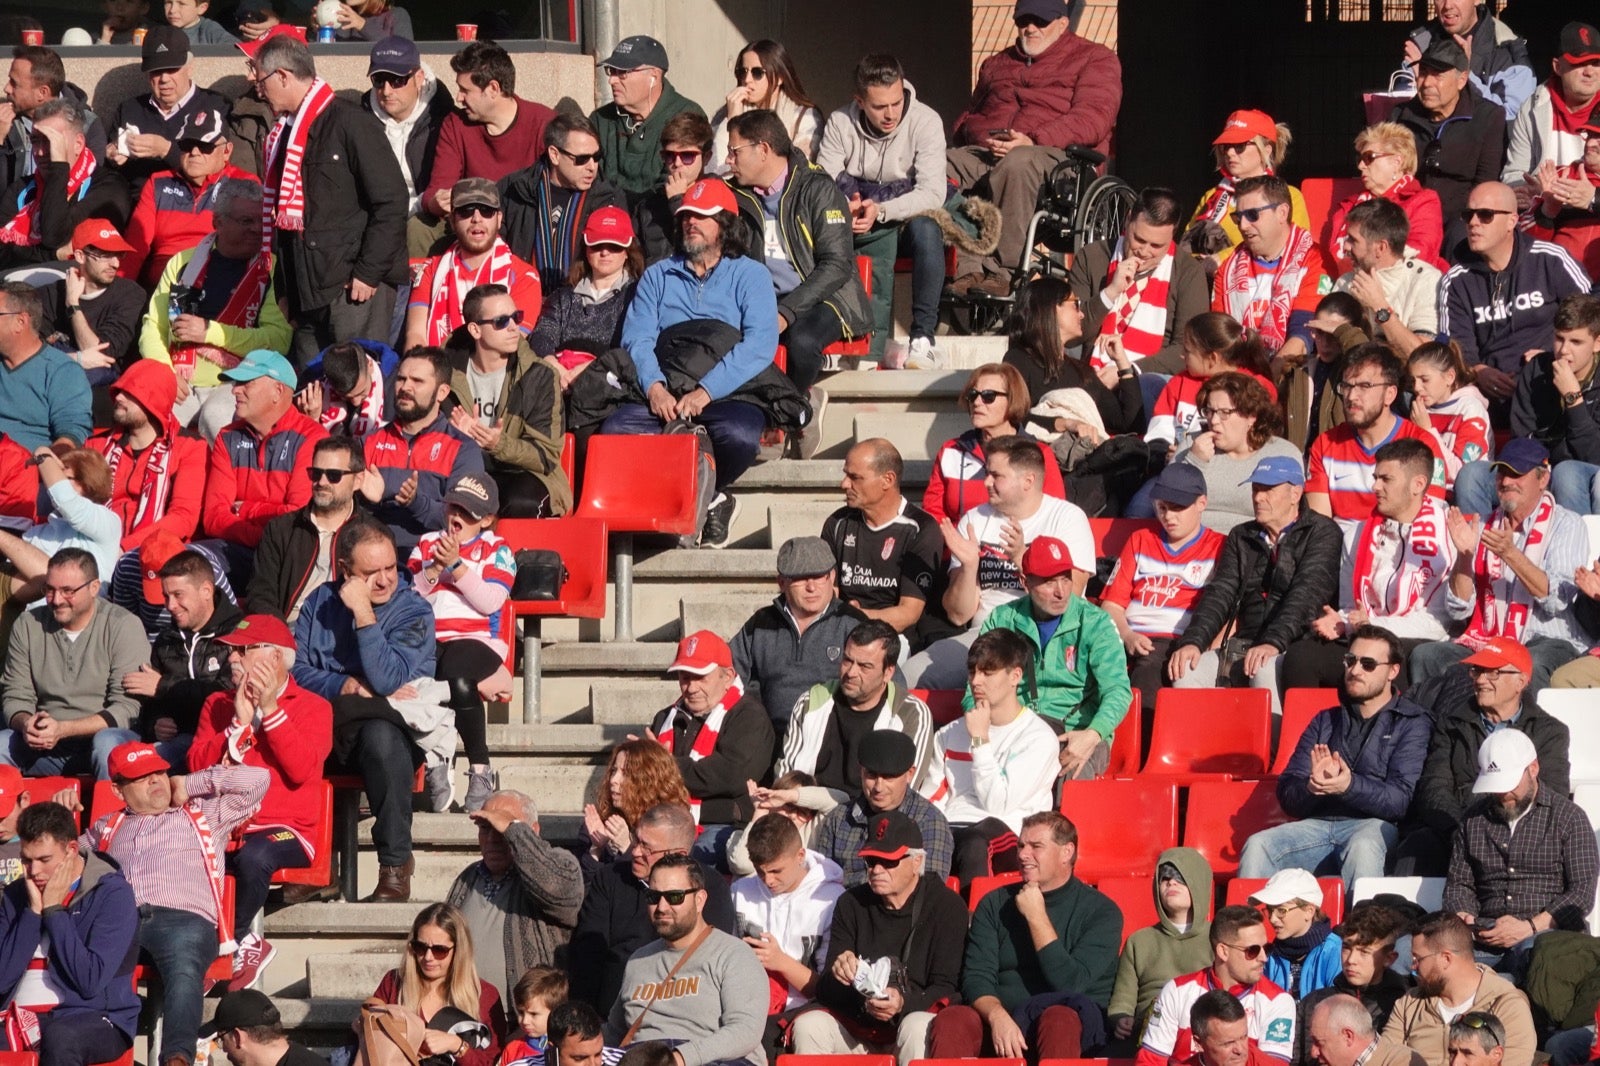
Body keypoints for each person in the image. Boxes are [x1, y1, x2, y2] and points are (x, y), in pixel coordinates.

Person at [600, 177, 783, 549]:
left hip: (727, 392)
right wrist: (654, 387)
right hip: (665, 388)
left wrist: (707, 391)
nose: (690, 222)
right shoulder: (656, 275)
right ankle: (707, 499)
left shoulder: (751, 274)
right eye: (685, 216)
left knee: (740, 435)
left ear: (726, 224)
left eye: (702, 216)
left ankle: (709, 492)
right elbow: (637, 337)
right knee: (617, 429)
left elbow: (761, 344)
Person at [83, 741, 267, 1066]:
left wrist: (190, 783)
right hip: (120, 921)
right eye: (142, 776)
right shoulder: (106, 827)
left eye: (159, 771)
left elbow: (257, 780)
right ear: (117, 789)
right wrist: (60, 807)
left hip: (182, 920)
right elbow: (63, 855)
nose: (156, 780)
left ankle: (178, 1058)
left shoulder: (205, 814)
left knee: (183, 967)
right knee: (85, 964)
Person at [292, 517, 435, 902]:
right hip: (332, 724)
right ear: (345, 572)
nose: (386, 579)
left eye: (390, 567)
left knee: (380, 737)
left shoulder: (413, 611)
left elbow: (388, 681)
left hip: (395, 733)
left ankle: (395, 866)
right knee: (293, 735)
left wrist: (362, 613)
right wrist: (344, 684)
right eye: (371, 572)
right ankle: (313, 864)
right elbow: (296, 671)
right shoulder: (319, 601)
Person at [247, 32, 407, 363]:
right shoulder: (284, 135)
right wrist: (285, 290)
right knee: (312, 393)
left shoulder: (351, 123)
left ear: (283, 76)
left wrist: (368, 272)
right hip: (307, 293)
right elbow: (284, 221)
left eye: (261, 80)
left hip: (352, 289)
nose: (257, 89)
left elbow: (391, 202)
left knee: (359, 386)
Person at [187, 612, 332, 973]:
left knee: (255, 856)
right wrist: (236, 724)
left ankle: (225, 947)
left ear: (276, 657)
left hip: (288, 829)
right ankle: (239, 943)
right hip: (224, 826)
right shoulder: (217, 704)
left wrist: (269, 710)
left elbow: (300, 770)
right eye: (232, 651)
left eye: (244, 650)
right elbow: (196, 765)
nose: (232, 658)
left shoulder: (316, 707)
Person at [946, 0, 1121, 296]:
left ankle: (1003, 272)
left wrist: (1032, 139)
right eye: (1023, 20)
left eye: (1040, 21)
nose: (1030, 28)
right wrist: (986, 135)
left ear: (1063, 24)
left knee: (1018, 162)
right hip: (991, 150)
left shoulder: (1095, 58)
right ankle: (966, 268)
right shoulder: (996, 63)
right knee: (938, 164)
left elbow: (1093, 118)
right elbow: (966, 120)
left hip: (1059, 158)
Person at [1244, 624, 1430, 888]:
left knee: (1363, 846)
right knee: (1258, 845)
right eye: (1350, 661)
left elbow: (1400, 801)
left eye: (1367, 664)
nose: (1354, 670)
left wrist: (1348, 785)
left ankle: (1362, 929)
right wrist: (1312, 787)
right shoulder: (1325, 720)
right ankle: (1246, 928)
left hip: (1375, 827)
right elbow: (1288, 792)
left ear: (1393, 671)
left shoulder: (1411, 722)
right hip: (1317, 825)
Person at [929, 811, 1122, 1060]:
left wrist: (1036, 917)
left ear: (1067, 852)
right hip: (1002, 1022)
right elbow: (977, 977)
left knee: (1059, 1018)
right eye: (1021, 845)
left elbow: (1072, 984)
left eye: (1036, 846)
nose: (1022, 854)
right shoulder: (994, 904)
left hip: (1070, 1026)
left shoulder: (1102, 912)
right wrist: (998, 1017)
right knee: (953, 1019)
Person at [909, 434, 1094, 690]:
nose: (986, 482)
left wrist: (1022, 559)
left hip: (1045, 636)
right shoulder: (974, 519)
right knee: (910, 675)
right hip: (986, 636)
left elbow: (1068, 598)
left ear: (1028, 481)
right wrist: (970, 566)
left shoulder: (1067, 518)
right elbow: (957, 613)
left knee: (1009, 686)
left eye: (996, 476)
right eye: (987, 473)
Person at [1167, 456, 1342, 714]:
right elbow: (1220, 593)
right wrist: (1194, 641)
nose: (1258, 497)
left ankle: (1269, 752)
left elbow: (1306, 596)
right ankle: (1199, 752)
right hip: (1242, 645)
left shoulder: (1322, 532)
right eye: (1255, 489)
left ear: (1295, 493)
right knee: (1185, 672)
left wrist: (1273, 643)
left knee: (1262, 668)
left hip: (1292, 646)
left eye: (1268, 490)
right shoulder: (1242, 536)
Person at [793, 809, 966, 1066]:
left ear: (916, 861)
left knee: (917, 1026)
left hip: (909, 1021)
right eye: (871, 861)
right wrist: (839, 974)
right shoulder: (851, 903)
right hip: (857, 1026)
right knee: (809, 1025)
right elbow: (827, 989)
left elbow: (947, 987)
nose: (877, 869)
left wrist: (902, 1003)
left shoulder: (946, 906)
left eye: (889, 861)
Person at [1412, 439, 1589, 690]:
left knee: (1531, 663)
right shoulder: (1481, 525)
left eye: (1517, 474)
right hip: (1489, 640)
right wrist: (1464, 556)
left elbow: (1557, 600)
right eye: (1502, 473)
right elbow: (1459, 609)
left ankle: (1528, 728)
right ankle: (1452, 728)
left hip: (1548, 640)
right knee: (1427, 656)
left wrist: (1510, 554)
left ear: (1543, 479)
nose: (1506, 482)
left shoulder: (1567, 524)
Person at [725, 108, 872, 403]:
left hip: (825, 298)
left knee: (801, 341)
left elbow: (836, 265)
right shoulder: (734, 194)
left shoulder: (816, 188)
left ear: (763, 150)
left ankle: (790, 410)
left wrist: (786, 311)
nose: (729, 160)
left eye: (734, 151)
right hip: (763, 299)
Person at [1284, 441, 1455, 689]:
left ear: (1417, 484)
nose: (1374, 487)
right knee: (1301, 656)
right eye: (1375, 477)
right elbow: (1350, 607)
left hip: (1415, 640)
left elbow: (1438, 624)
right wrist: (1341, 622)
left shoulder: (1446, 536)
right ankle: (1314, 728)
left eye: (1386, 479)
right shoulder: (1356, 535)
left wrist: (1372, 624)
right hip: (1365, 633)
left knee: (1382, 663)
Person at [814, 53, 947, 366]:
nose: (890, 114)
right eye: (879, 106)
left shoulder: (926, 121)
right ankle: (845, 336)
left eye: (896, 102)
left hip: (906, 212)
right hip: (857, 213)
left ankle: (922, 338)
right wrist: (847, 206)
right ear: (859, 101)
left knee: (928, 231)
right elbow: (824, 179)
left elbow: (932, 193)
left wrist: (883, 210)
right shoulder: (839, 122)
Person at [138, 179, 292, 441]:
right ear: (218, 222)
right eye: (246, 221)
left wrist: (211, 332)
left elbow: (278, 340)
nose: (257, 230)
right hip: (180, 376)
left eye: (262, 222)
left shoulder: (272, 269)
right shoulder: (185, 263)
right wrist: (165, 374)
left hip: (239, 382)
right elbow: (154, 326)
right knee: (151, 415)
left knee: (216, 418)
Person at [1444, 729, 1599, 975]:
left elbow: (1581, 893)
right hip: (1485, 938)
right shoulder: (1472, 820)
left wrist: (1530, 927)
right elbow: (1459, 884)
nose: (1503, 794)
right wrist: (1466, 919)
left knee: (1534, 959)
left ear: (1533, 769)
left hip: (1547, 938)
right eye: (1496, 786)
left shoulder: (1569, 818)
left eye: (1510, 784)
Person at [975, 536, 1132, 778]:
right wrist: (982, 730)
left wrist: (1093, 734)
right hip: (1015, 729)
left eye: (1066, 579)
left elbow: (1118, 691)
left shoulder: (1095, 622)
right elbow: (975, 685)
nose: (1061, 592)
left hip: (1077, 733)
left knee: (1070, 777)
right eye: (1049, 582)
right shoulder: (1003, 619)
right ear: (1025, 582)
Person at [0, 801, 140, 1066]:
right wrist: (32, 913)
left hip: (94, 1016)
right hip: (17, 1015)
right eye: (26, 860)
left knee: (60, 1038)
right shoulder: (17, 895)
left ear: (71, 850)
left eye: (44, 860)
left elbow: (89, 980)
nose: (34, 871)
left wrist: (54, 911)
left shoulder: (111, 893)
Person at [568, 802, 737, 1014]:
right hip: (613, 1012)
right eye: (636, 840)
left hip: (682, 1012)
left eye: (647, 847)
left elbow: (712, 958)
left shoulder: (709, 887)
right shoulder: (610, 879)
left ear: (680, 854)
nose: (636, 852)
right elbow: (588, 955)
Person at [407, 472, 514, 810]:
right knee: (427, 680)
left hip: (477, 639)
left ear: (485, 519)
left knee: (451, 670)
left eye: (467, 513)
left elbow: (490, 602)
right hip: (429, 638)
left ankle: (478, 768)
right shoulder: (426, 543)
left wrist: (456, 565)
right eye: (453, 507)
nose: (456, 519)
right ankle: (440, 757)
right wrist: (433, 570)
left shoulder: (496, 548)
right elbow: (410, 599)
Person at [923, 629, 1061, 884]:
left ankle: (975, 922)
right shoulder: (949, 734)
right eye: (973, 671)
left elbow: (997, 804)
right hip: (953, 828)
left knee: (976, 843)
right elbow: (931, 799)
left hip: (1009, 834)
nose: (976, 681)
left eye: (987, 672)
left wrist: (979, 741)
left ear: (1015, 676)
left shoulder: (1038, 738)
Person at [603, 854, 766, 1066]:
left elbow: (745, 1031)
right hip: (644, 1057)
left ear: (700, 900)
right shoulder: (638, 960)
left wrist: (680, 1058)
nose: (661, 907)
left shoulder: (733, 954)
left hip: (712, 1060)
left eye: (674, 897)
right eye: (653, 896)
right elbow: (613, 1032)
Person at [1439, 183, 1590, 410]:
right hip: (1488, 396)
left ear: (1512, 221)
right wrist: (1478, 371)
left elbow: (1590, 317)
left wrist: (1556, 356)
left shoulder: (1550, 260)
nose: (1473, 223)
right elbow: (1455, 346)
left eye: (1485, 215)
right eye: (1468, 215)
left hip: (1555, 382)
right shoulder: (1456, 281)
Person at [0, 548, 145, 780]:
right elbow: (16, 694)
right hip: (43, 743)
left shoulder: (123, 625)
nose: (56, 600)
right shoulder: (27, 624)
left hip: (102, 737)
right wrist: (27, 723)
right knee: (1, 744)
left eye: (68, 591)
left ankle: (109, 815)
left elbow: (127, 709)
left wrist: (65, 729)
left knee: (107, 744)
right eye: (49, 589)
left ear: (94, 587)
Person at [1102, 464, 1225, 716]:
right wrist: (1126, 635)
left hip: (1177, 639)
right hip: (1127, 636)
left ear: (1202, 503)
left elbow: (1231, 609)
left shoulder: (1219, 546)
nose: (1169, 516)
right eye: (1162, 507)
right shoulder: (1140, 540)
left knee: (1148, 672)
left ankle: (1141, 748)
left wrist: (1209, 647)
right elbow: (1111, 605)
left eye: (1178, 507)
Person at [647, 630, 775, 866]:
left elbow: (729, 777)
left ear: (727, 677)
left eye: (700, 677)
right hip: (664, 823)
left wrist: (664, 766)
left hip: (725, 828)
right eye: (684, 677)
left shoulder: (749, 716)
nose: (691, 687)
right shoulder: (665, 718)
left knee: (684, 862)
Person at [448, 790, 584, 1006]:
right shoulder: (468, 877)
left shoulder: (560, 863)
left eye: (501, 828)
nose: (493, 838)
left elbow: (560, 892)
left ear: (532, 831)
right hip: (466, 1016)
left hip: (526, 1022)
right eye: (485, 828)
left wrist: (514, 831)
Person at [447, 283, 571, 518]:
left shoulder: (540, 376)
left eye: (517, 317)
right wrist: (457, 439)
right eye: (502, 321)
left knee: (519, 502)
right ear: (475, 330)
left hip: (524, 474)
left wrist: (498, 444)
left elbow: (546, 456)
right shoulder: (444, 370)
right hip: (465, 468)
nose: (515, 328)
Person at [201, 349, 330, 575]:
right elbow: (213, 518)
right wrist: (263, 532)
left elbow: (298, 520)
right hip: (238, 550)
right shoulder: (227, 437)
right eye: (235, 383)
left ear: (277, 391)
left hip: (290, 559)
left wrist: (248, 509)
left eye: (246, 383)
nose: (234, 390)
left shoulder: (313, 438)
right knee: (191, 566)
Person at [729, 536, 870, 738]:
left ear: (832, 576)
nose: (811, 587)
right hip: (767, 736)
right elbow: (727, 675)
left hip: (832, 737)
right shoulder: (761, 623)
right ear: (782, 582)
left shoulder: (853, 623)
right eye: (800, 578)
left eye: (819, 576)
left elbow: (883, 684)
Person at [118, 89, 257, 290]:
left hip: (220, 284)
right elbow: (135, 248)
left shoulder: (244, 185)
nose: (194, 152)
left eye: (205, 146)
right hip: (162, 289)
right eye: (187, 145)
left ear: (227, 151)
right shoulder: (158, 183)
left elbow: (254, 248)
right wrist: (119, 295)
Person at [1073, 186, 1210, 383]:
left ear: (1173, 235)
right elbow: (1072, 332)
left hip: (1150, 380)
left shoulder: (1188, 272)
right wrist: (1109, 293)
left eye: (1156, 246)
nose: (1144, 252)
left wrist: (1127, 371)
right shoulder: (1093, 256)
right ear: (1128, 220)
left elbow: (1189, 347)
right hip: (1089, 373)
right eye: (1139, 239)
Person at [777, 618, 932, 792]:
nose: (851, 672)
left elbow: (903, 793)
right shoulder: (811, 702)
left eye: (865, 666)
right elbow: (786, 777)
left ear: (888, 672)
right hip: (805, 810)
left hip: (871, 815)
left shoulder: (910, 713)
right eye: (847, 660)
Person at [1306, 345, 1447, 532]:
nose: (1351, 396)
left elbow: (1429, 523)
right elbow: (1320, 528)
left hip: (1399, 552)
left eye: (1365, 386)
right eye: (1347, 386)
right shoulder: (1325, 445)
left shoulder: (1422, 445)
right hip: (1339, 554)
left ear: (1390, 394)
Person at [359, 347, 485, 556]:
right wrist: (366, 503)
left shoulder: (462, 449)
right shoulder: (369, 442)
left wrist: (414, 502)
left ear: (442, 392)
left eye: (417, 381)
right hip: (371, 556)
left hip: (432, 560)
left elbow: (462, 522)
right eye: (401, 379)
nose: (405, 387)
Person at [1136, 905, 1297, 1066]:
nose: (1264, 958)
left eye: (1267, 948)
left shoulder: (1278, 1001)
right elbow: (1150, 1062)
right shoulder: (1177, 991)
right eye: (1253, 950)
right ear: (1223, 951)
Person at [729, 811, 844, 1035]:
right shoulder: (740, 892)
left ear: (800, 855)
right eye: (761, 871)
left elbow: (828, 991)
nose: (768, 880)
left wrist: (780, 961)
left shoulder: (831, 899)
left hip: (806, 1013)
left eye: (776, 871)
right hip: (746, 1008)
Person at [1392, 38, 1509, 254]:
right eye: (1423, 72)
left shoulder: (1488, 117)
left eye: (1438, 75)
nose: (1427, 82)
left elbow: (1485, 182)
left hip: (1462, 216)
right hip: (1410, 215)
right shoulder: (1400, 116)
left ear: (1462, 79)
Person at [123, 546, 244, 756]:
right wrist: (156, 724)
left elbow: (226, 696)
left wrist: (164, 686)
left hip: (221, 740)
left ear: (206, 591)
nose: (170, 605)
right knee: (110, 741)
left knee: (143, 759)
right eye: (166, 596)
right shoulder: (165, 640)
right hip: (174, 740)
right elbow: (150, 704)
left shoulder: (238, 634)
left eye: (178, 595)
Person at [403, 177, 543, 352]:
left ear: (499, 219)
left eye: (486, 211)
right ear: (453, 220)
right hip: (435, 370)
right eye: (466, 211)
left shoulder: (525, 276)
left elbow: (512, 343)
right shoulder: (430, 270)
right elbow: (415, 336)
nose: (476, 218)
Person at [421, 40, 553, 225]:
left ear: (493, 89)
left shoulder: (543, 123)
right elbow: (437, 188)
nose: (458, 98)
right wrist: (436, 202)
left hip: (527, 223)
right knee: (419, 227)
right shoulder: (456, 124)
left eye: (465, 90)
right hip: (471, 223)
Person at [924, 361, 1070, 527]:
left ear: (1012, 401)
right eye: (973, 395)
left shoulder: (1038, 454)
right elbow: (933, 514)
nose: (977, 402)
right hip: (958, 548)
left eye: (988, 396)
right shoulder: (951, 451)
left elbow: (1053, 515)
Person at [1380, 912, 1535, 1066]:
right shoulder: (1410, 1003)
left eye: (1418, 959)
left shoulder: (1507, 1006)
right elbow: (1385, 1059)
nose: (1413, 967)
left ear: (1446, 959)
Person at [824, 439, 943, 638]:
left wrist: (855, 616)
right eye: (845, 475)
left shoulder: (920, 529)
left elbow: (908, 613)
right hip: (841, 630)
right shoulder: (837, 523)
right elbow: (828, 593)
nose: (844, 484)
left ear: (887, 480)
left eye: (855, 477)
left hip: (895, 637)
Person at [367, 902, 509, 1066]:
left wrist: (457, 1046)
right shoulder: (394, 982)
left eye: (439, 950)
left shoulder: (484, 995)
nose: (428, 957)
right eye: (420, 947)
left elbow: (492, 1061)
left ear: (458, 951)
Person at [497, 112, 625, 289]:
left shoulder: (608, 196)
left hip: (583, 302)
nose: (592, 167)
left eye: (596, 157)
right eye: (581, 159)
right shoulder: (514, 189)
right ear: (554, 155)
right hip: (522, 295)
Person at [812, 729, 954, 887]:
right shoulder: (839, 820)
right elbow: (820, 883)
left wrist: (846, 881)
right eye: (871, 775)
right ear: (861, 771)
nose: (878, 786)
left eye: (889, 777)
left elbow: (927, 887)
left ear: (909, 774)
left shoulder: (930, 822)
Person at [0, 99, 130, 272]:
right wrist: (53, 256)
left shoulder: (109, 187)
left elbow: (54, 237)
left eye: (50, 141)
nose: (39, 152)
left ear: (78, 144)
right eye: (35, 140)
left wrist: (59, 168)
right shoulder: (23, 189)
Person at [1211, 175, 1333, 360]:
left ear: (1282, 213)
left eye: (1253, 215)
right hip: (1237, 372)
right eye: (1238, 217)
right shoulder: (1227, 270)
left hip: (1292, 373)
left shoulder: (1316, 259)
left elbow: (1302, 335)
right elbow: (1220, 338)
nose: (1243, 226)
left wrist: (1266, 380)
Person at [243, 435, 361, 622]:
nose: (321, 482)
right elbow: (260, 594)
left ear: (358, 480)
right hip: (287, 633)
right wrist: (278, 637)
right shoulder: (281, 529)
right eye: (316, 473)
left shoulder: (370, 535)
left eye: (333, 475)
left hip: (344, 637)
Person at [1107, 849, 1216, 1045]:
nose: (1171, 883)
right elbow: (1124, 996)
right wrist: (1121, 1017)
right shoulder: (1139, 941)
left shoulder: (1218, 938)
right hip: (1149, 1029)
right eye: (1164, 878)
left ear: (1198, 884)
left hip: (1201, 1027)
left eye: (1180, 877)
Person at [105, 25, 231, 193]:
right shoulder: (129, 109)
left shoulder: (215, 106)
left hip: (192, 205)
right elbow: (111, 174)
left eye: (172, 69)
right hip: (138, 205)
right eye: (156, 71)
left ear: (189, 66)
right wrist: (113, 155)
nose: (164, 79)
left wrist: (166, 150)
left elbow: (215, 172)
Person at [1172, 373, 1300, 534]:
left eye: (1225, 412)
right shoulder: (1192, 445)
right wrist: (1193, 462)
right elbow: (1168, 505)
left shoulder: (1281, 454)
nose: (1214, 420)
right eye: (1210, 411)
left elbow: (1288, 516)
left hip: (1252, 546)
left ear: (1251, 416)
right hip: (1193, 542)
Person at [1509, 293, 1600, 513]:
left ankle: (1578, 547)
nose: (1563, 350)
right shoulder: (1537, 370)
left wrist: (1573, 399)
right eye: (1559, 338)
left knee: (1567, 473)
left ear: (1597, 343)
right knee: (1473, 476)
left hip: (1584, 474)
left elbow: (1596, 456)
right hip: (1537, 471)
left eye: (1576, 342)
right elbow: (1522, 438)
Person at [527, 206, 640, 377]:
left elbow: (634, 346)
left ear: (627, 252)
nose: (604, 252)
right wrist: (554, 366)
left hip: (610, 383)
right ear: (586, 250)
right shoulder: (562, 297)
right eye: (597, 245)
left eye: (614, 246)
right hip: (558, 378)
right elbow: (543, 334)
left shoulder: (638, 296)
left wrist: (591, 369)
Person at [590, 36, 706, 199]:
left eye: (622, 72)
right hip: (609, 216)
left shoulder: (687, 115)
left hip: (659, 216)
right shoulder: (601, 120)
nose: (611, 80)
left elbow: (677, 179)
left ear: (654, 75)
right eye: (611, 71)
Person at [1189, 110, 1312, 259]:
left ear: (1266, 151)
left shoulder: (1289, 195)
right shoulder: (1211, 196)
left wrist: (1222, 260)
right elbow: (1186, 248)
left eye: (1240, 146)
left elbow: (1294, 247)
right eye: (1226, 146)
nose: (1230, 153)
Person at [1297, 907, 1413, 1065]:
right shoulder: (1314, 1002)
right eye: (1346, 948)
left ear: (1389, 958)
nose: (1351, 960)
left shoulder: (1402, 1005)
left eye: (1364, 952)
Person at [33, 219, 145, 382]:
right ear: (80, 256)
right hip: (49, 379)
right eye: (106, 255)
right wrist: (74, 358)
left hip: (100, 388)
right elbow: (26, 353)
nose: (115, 263)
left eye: (119, 255)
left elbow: (99, 354)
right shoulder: (50, 293)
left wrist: (73, 304)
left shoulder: (130, 294)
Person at [0, 445, 121, 592]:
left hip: (86, 612)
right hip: (33, 614)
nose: (53, 481)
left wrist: (43, 454)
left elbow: (66, 500)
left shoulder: (108, 522)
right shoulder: (36, 533)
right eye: (58, 475)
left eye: (67, 478)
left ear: (88, 482)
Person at [1332, 198, 1444, 357]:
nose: (1345, 246)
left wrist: (1379, 307)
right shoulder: (1346, 282)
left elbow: (1423, 356)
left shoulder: (1425, 280)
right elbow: (1329, 350)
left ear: (1381, 248)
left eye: (1353, 240)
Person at [1330, 123, 1447, 273]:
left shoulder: (1423, 201)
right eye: (1360, 159)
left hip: (1401, 287)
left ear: (1397, 162)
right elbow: (1329, 259)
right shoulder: (1349, 205)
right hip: (1343, 284)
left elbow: (1420, 255)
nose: (1360, 166)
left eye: (1368, 157)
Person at [1504, 22, 1600, 199]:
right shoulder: (1532, 107)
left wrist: (1594, 197)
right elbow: (1515, 172)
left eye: (1596, 63)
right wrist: (1524, 190)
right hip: (1542, 211)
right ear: (1558, 67)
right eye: (1579, 64)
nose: (1589, 72)